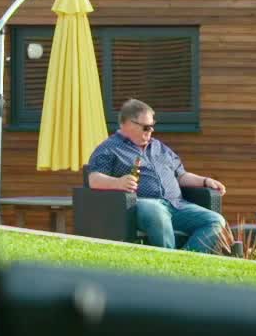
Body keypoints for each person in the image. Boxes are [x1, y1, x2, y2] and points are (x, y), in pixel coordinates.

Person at [85, 99, 230, 252]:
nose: (151, 131)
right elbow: (94, 179)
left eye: (152, 126)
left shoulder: (159, 147)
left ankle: (182, 259)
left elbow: (181, 176)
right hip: (143, 205)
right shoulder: (109, 148)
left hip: (177, 204)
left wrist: (205, 181)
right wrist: (118, 183)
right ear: (128, 123)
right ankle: (170, 258)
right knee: (156, 211)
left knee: (216, 221)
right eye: (146, 127)